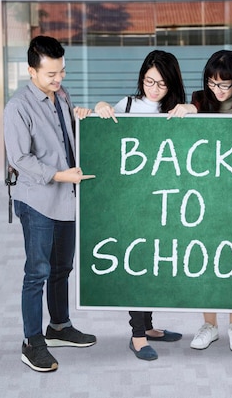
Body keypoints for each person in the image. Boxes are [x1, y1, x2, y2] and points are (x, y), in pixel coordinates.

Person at [4, 35, 97, 372]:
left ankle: (59, 327)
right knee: (37, 272)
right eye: (50, 75)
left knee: (62, 268)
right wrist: (60, 176)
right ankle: (32, 342)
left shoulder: (61, 95)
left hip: (66, 199)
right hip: (38, 201)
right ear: (31, 71)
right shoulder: (17, 107)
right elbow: (19, 158)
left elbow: (67, 135)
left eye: (62, 72)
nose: (58, 80)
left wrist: (83, 116)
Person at [94, 50, 186, 360]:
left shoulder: (176, 110)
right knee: (138, 265)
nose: (154, 88)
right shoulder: (129, 105)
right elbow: (101, 129)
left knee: (155, 265)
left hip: (166, 200)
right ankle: (136, 336)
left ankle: (148, 326)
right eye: (149, 81)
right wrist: (101, 107)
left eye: (161, 83)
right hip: (133, 200)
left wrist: (189, 109)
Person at [172, 50, 232, 352]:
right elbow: (193, 108)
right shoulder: (201, 98)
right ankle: (209, 324)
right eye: (213, 83)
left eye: (225, 85)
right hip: (201, 191)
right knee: (203, 256)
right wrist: (186, 109)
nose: (219, 90)